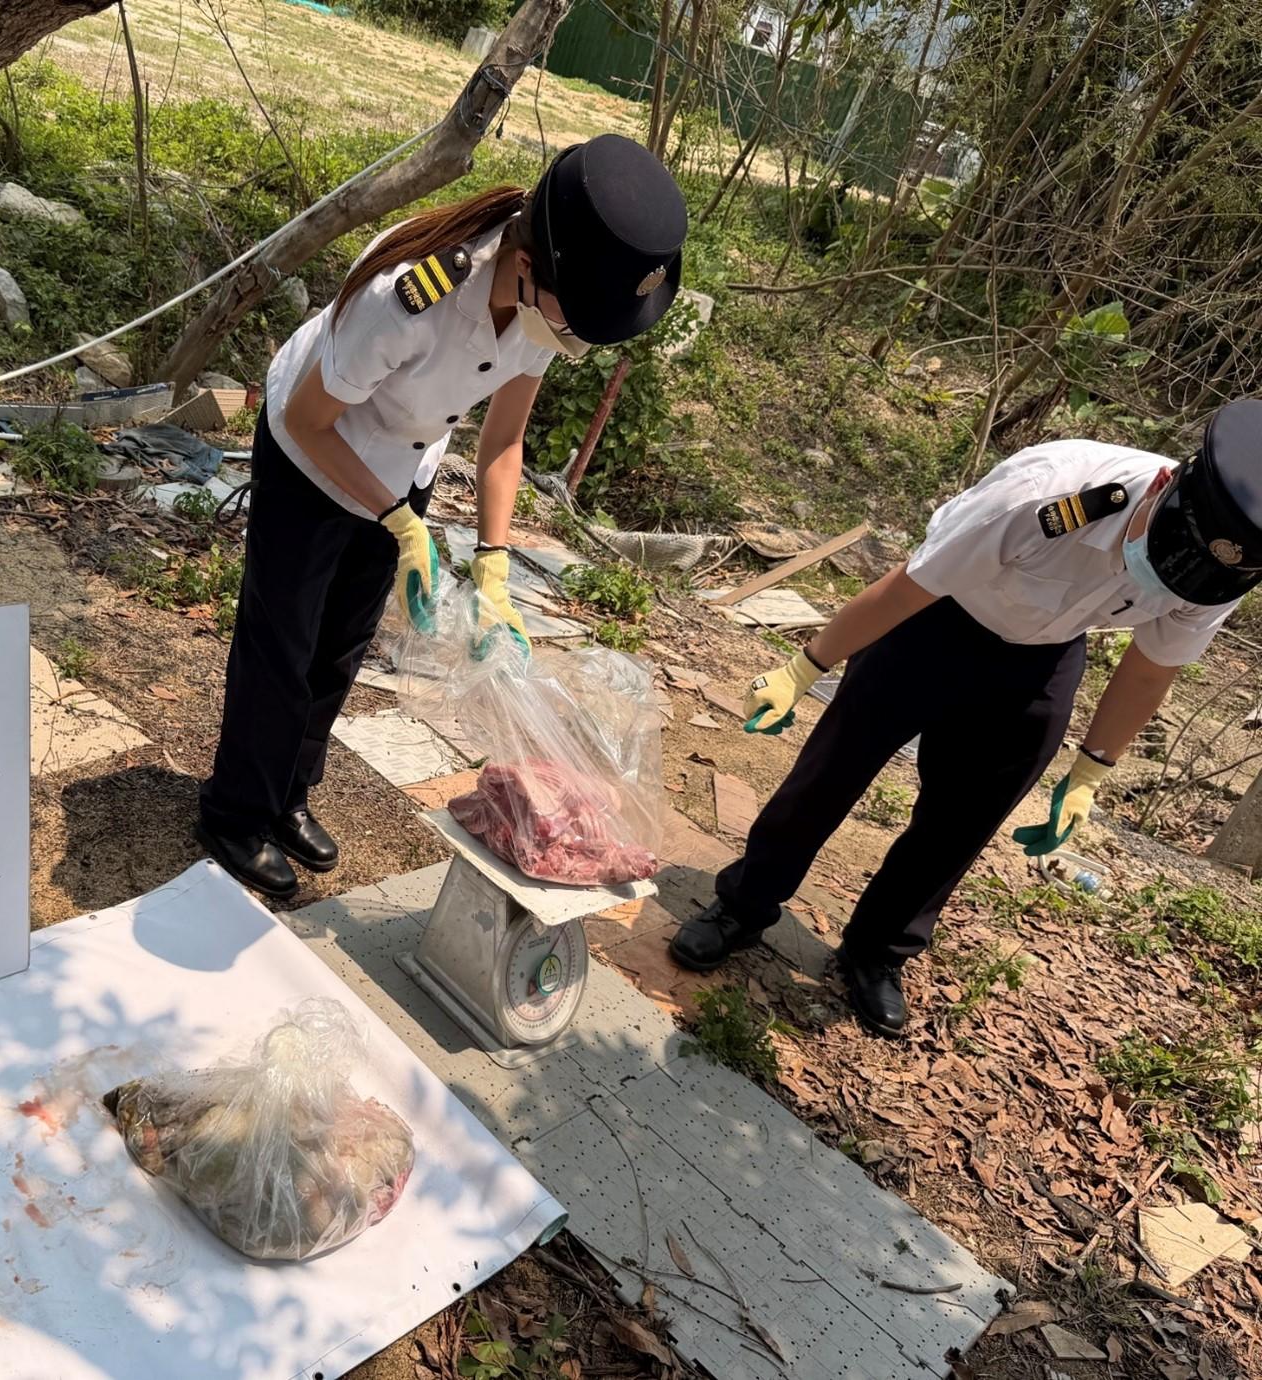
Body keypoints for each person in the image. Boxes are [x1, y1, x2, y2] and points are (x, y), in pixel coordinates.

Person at [669, 399, 1262, 1036]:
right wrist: (806, 668)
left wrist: (1091, 770)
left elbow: (1151, 668)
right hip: (935, 620)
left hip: (1045, 655)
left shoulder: (1218, 569)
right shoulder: (1040, 493)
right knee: (833, 771)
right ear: (1170, 484)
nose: (1178, 577)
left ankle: (877, 953)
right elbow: (904, 588)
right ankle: (744, 905)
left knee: (964, 819)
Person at [198, 134, 689, 898]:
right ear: (525, 266)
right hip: (315, 450)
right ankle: (234, 814)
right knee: (282, 645)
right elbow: (307, 420)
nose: (573, 342)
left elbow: (504, 441)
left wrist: (493, 564)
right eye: (576, 325)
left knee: (341, 647)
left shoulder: (544, 306)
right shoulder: (408, 298)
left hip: (402, 465)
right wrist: (400, 522)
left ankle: (287, 796)